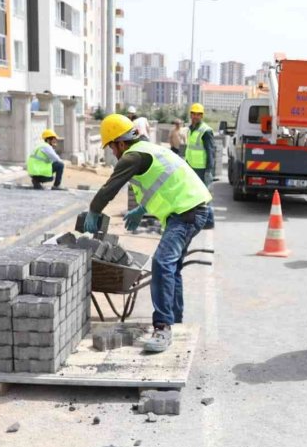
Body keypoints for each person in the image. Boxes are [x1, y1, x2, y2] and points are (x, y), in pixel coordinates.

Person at [84, 114, 212, 353]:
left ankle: (163, 328)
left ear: (121, 142)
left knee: (162, 263)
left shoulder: (131, 156)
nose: (112, 152)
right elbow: (164, 181)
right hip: (191, 208)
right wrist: (141, 209)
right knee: (172, 268)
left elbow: (109, 188)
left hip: (187, 211)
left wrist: (93, 210)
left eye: (111, 146)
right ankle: (175, 319)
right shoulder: (146, 150)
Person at [185, 103, 216, 229]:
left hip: (202, 168)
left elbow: (211, 151)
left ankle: (209, 221)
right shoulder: (190, 129)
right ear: (191, 115)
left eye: (198, 114)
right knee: (196, 194)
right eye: (194, 114)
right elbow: (190, 148)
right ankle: (200, 219)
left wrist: (209, 170)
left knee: (205, 194)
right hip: (192, 167)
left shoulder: (206, 131)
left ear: (202, 116)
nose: (195, 117)